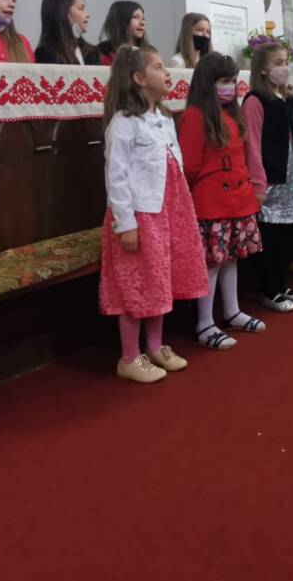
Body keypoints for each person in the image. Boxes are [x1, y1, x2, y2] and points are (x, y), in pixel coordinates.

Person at [100, 45, 208, 384]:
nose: (167, 72)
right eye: (159, 67)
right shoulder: (124, 123)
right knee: (136, 284)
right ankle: (129, 357)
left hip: (166, 212)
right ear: (138, 78)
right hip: (139, 216)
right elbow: (116, 177)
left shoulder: (164, 118)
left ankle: (155, 346)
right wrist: (126, 224)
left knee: (159, 280)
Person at [177, 52, 266, 349]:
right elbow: (189, 166)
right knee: (212, 263)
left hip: (238, 198)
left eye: (233, 80)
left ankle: (232, 311)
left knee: (231, 258)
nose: (230, 87)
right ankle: (205, 323)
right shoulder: (194, 116)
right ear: (208, 83)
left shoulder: (232, 113)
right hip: (211, 201)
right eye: (224, 81)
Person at [243, 43, 293, 313]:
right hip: (269, 178)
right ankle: (269, 289)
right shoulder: (255, 101)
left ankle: (283, 284)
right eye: (279, 63)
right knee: (270, 236)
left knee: (287, 235)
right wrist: (258, 183)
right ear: (263, 69)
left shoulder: (288, 99)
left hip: (290, 174)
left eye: (286, 62)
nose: (285, 67)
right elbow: (252, 144)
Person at [34, 0, 99, 65]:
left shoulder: (92, 52)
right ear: (63, 13)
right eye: (81, 8)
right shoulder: (44, 54)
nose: (87, 15)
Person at [97, 0, 149, 66]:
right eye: (136, 17)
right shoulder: (102, 51)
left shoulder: (148, 51)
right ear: (121, 21)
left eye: (143, 18)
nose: (142, 23)